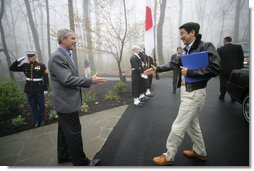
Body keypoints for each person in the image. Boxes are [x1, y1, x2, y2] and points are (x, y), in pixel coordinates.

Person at [144, 22, 220, 165]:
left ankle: (168, 156)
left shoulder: (206, 46)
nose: (181, 37)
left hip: (195, 93)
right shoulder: (186, 49)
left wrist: (190, 72)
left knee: (178, 126)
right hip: (186, 91)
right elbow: (174, 64)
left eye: (183, 33)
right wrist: (157, 69)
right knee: (192, 125)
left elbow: (215, 68)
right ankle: (200, 152)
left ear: (192, 33)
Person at [48, 28, 107, 166]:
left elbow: (69, 78)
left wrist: (87, 79)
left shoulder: (66, 55)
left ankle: (64, 156)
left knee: (64, 131)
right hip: (66, 104)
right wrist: (90, 81)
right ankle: (82, 164)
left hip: (66, 103)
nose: (75, 41)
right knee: (74, 134)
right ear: (63, 39)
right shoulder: (57, 57)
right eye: (73, 38)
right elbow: (67, 80)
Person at [9, 51, 49, 128]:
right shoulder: (25, 65)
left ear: (35, 56)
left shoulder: (41, 66)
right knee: (33, 106)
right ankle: (37, 121)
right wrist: (18, 60)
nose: (29, 58)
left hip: (39, 89)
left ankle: (43, 120)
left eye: (31, 56)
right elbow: (12, 68)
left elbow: (46, 78)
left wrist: (45, 89)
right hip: (29, 90)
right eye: (28, 56)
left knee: (41, 106)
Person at [217, 36, 244, 101]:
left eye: (224, 41)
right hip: (236, 69)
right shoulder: (238, 47)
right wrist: (240, 67)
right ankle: (233, 97)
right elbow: (241, 57)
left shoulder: (220, 49)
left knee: (223, 82)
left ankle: (222, 96)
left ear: (225, 41)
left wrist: (218, 68)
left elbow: (218, 60)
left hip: (224, 69)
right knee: (234, 83)